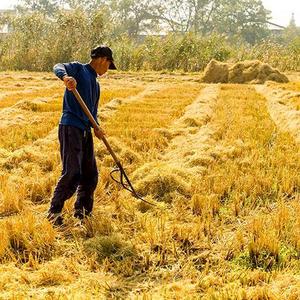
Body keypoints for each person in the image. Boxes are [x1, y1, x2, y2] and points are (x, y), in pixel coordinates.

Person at [47, 45, 117, 226]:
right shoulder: (79, 69)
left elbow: (92, 112)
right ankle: (54, 212)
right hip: (71, 127)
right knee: (72, 172)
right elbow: (58, 66)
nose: (107, 70)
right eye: (109, 65)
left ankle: (82, 211)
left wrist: (97, 128)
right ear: (102, 59)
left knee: (90, 174)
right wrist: (65, 77)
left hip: (86, 131)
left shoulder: (96, 84)